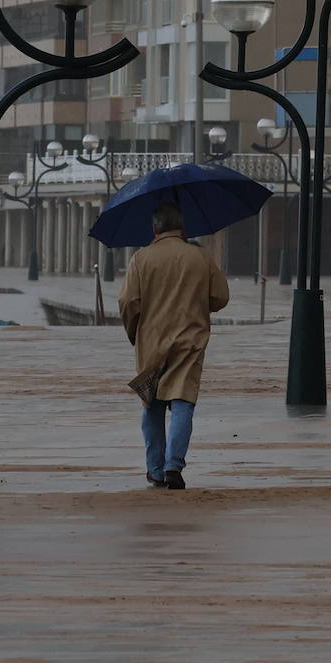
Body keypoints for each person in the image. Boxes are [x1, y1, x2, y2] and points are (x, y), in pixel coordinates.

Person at [119, 202, 230, 490]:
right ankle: (173, 466)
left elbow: (129, 303)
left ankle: (154, 469)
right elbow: (220, 298)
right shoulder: (200, 257)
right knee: (183, 402)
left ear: (155, 228)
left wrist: (135, 333)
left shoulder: (141, 259)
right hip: (190, 340)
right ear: (182, 228)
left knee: (152, 404)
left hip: (151, 341)